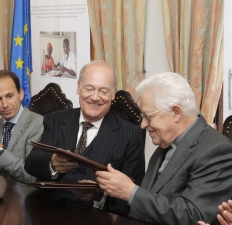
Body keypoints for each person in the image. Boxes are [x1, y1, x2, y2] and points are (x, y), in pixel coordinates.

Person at [95, 72, 232, 225]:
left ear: (176, 113)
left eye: (148, 116)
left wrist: (130, 192)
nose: (143, 124)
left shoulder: (217, 150)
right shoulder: (166, 142)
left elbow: (195, 216)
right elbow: (151, 200)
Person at [25, 60, 145, 214]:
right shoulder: (55, 119)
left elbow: (132, 191)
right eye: (89, 89)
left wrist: (100, 196)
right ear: (78, 87)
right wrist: (52, 164)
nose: (95, 97)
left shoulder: (130, 134)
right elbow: (31, 163)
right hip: (48, 210)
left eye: (103, 91)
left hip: (95, 216)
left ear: (113, 94)